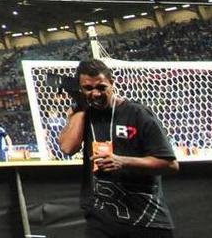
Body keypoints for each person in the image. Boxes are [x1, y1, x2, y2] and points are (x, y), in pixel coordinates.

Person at [58, 59, 179, 237]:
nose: (95, 94)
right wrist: (80, 107)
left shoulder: (137, 113)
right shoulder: (83, 115)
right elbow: (68, 148)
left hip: (145, 218)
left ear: (112, 83)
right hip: (101, 220)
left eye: (101, 87)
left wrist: (123, 162)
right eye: (88, 88)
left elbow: (170, 164)